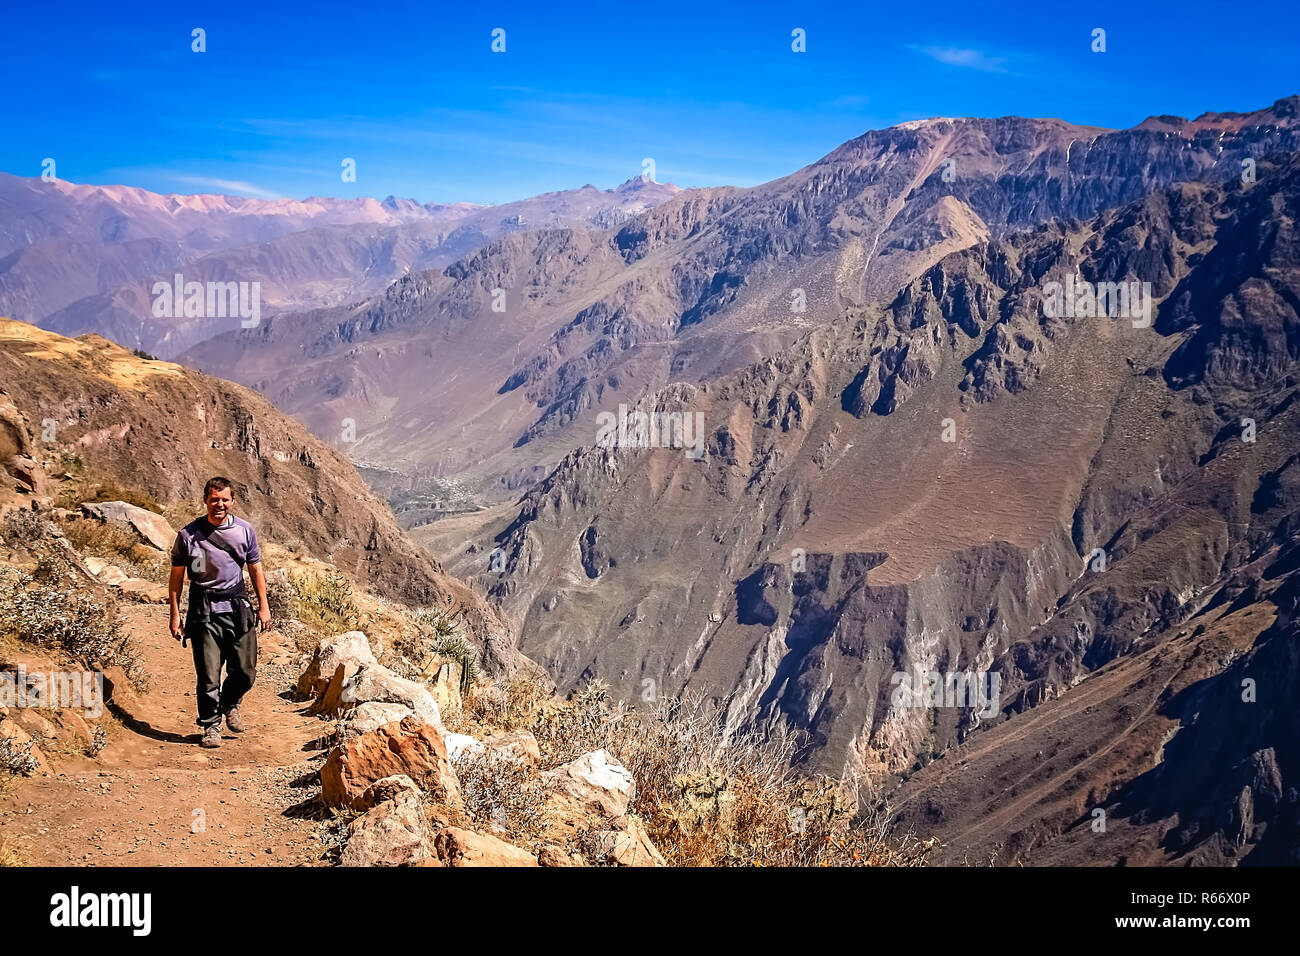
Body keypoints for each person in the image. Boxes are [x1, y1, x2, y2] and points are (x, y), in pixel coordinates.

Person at [168, 477, 271, 748]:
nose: (219, 504)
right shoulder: (187, 536)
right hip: (204, 613)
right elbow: (176, 578)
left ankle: (230, 703)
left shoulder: (244, 531)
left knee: (246, 670)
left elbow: (255, 569)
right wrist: (175, 614)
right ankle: (210, 725)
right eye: (214, 499)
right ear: (205, 500)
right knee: (208, 674)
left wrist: (264, 606)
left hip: (238, 610)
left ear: (232, 501)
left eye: (224, 499)